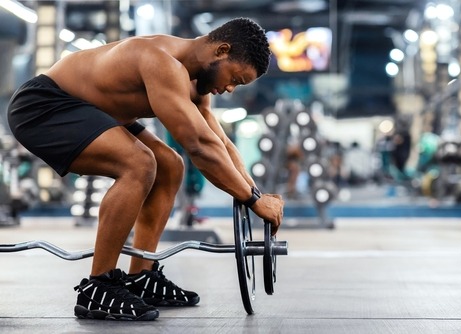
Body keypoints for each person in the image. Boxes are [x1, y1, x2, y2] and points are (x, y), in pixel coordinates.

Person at [7, 17, 285, 321]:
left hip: (94, 111)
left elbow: (220, 143)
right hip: (44, 104)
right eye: (236, 79)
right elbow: (199, 147)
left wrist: (256, 192)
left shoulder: (196, 84)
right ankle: (98, 288)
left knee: (170, 165)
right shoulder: (161, 61)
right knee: (139, 163)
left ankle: (141, 276)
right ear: (221, 50)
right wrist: (254, 202)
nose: (230, 88)